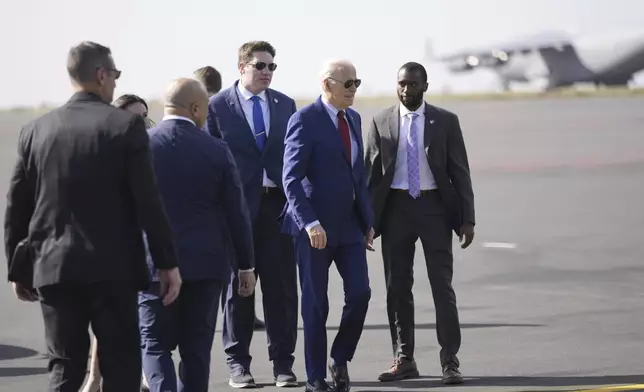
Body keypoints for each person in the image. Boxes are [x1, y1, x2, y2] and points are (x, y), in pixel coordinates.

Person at [3, 40, 182, 392]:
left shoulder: (36, 130)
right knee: (120, 367)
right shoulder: (124, 128)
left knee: (64, 367)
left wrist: (18, 267)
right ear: (101, 75)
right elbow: (147, 201)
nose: (115, 82)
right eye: (114, 75)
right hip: (113, 271)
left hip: (54, 270)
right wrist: (166, 263)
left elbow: (17, 205)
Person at [139, 78, 257, 392]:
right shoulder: (216, 150)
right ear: (195, 108)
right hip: (205, 269)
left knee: (153, 344)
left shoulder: (140, 146)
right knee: (195, 351)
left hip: (151, 268)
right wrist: (245, 266)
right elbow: (237, 213)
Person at [364, 61, 475, 385]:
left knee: (442, 287)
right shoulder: (381, 120)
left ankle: (449, 360)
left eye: (413, 84)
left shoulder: (445, 121)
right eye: (401, 83)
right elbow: (370, 176)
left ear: (425, 86)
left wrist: (467, 218)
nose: (406, 89)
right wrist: (367, 221)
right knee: (397, 288)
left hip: (434, 209)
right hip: (396, 209)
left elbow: (460, 172)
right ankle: (404, 358)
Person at [206, 40, 298, 388]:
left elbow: (295, 156)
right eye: (260, 66)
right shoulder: (217, 107)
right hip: (237, 211)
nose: (267, 72)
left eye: (272, 67)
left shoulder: (285, 104)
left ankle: (283, 365)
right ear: (241, 67)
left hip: (277, 207)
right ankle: (238, 365)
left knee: (282, 290)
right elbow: (209, 161)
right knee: (238, 289)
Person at [281, 59, 374, 392]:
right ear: (327, 84)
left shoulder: (354, 118)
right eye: (348, 84)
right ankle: (315, 377)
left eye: (356, 83)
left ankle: (340, 357)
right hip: (313, 230)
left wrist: (367, 221)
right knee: (316, 304)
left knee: (361, 294)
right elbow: (290, 179)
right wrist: (309, 222)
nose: (353, 90)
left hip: (349, 227)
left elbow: (357, 176)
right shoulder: (304, 120)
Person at [81, 93, 155, 392]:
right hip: (108, 247)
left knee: (144, 317)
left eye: (145, 118)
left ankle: (146, 374)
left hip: (146, 246)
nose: (141, 125)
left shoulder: (152, 149)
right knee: (104, 318)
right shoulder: (97, 152)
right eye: (133, 118)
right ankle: (94, 376)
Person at [195, 63, 267, 332]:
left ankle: (234, 317)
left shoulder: (212, 108)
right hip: (231, 202)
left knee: (235, 270)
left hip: (227, 203)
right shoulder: (217, 108)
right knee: (237, 268)